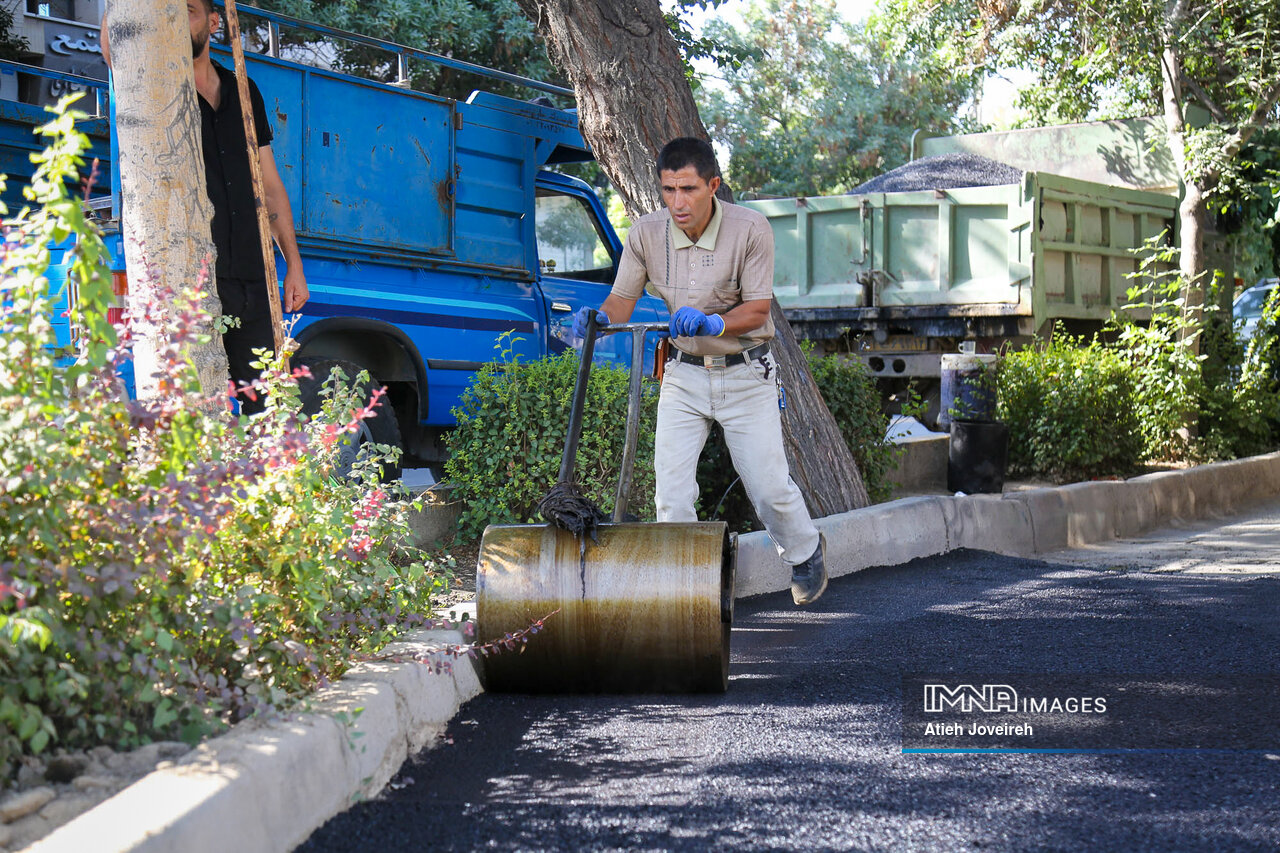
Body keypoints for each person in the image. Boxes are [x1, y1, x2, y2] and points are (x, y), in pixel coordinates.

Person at [572, 137, 827, 605]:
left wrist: (714, 321)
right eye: (668, 190)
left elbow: (757, 310)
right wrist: (599, 317)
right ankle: (689, 590)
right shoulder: (646, 234)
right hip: (684, 374)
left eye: (688, 189)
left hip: (746, 373)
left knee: (768, 487)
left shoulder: (751, 229)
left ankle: (806, 552)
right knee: (670, 494)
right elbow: (621, 300)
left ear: (713, 185)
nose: (678, 202)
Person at [103, 0, 308, 414]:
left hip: (253, 279)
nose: (177, 21)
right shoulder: (156, 88)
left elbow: (269, 188)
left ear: (215, 22)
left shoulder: (245, 92)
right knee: (196, 414)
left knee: (267, 412)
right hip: (193, 283)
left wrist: (294, 266)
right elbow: (113, 49)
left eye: (189, 11)